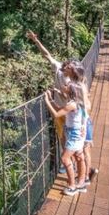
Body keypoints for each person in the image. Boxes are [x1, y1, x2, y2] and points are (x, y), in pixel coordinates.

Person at [26, 30, 77, 173]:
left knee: (70, 138)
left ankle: (72, 164)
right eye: (68, 68)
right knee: (62, 136)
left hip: (68, 110)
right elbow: (47, 55)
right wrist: (36, 41)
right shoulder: (59, 69)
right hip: (57, 107)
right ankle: (68, 162)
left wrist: (59, 93)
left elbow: (75, 98)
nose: (69, 70)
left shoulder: (74, 80)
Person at [44, 82, 88, 195]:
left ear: (71, 90)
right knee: (79, 156)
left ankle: (72, 186)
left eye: (67, 85)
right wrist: (52, 99)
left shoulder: (72, 104)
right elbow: (60, 109)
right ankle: (81, 183)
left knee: (65, 158)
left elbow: (56, 114)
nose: (64, 85)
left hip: (74, 134)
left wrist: (47, 100)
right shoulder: (76, 102)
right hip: (77, 133)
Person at [72, 63, 99, 186]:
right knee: (82, 149)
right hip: (84, 123)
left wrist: (83, 123)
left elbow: (87, 106)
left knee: (84, 149)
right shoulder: (80, 86)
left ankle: (86, 175)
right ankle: (87, 173)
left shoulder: (80, 87)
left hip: (84, 123)